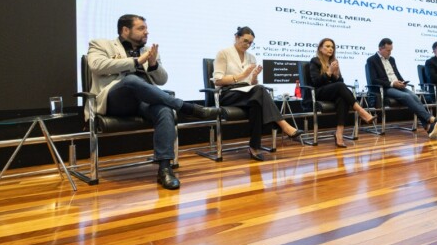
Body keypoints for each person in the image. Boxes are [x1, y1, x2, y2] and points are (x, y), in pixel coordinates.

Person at [86, 14, 221, 190]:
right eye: (141, 28)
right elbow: (97, 65)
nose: (146, 32)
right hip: (114, 101)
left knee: (164, 109)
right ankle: (187, 107)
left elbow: (162, 80)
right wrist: (136, 61)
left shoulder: (148, 50)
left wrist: (153, 64)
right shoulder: (100, 44)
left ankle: (165, 169)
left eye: (146, 29)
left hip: (142, 102)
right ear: (125, 30)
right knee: (131, 81)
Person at [212, 27, 303, 160]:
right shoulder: (223, 53)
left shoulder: (251, 57)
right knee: (259, 91)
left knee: (257, 103)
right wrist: (242, 75)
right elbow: (218, 80)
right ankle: (284, 125)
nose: (248, 45)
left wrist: (253, 77)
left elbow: (251, 85)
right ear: (236, 37)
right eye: (245, 41)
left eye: (250, 43)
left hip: (247, 93)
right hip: (228, 93)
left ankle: (254, 147)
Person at [366, 38, 437, 138]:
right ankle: (431, 119)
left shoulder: (391, 59)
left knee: (414, 96)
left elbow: (397, 74)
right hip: (385, 88)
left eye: (391, 50)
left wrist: (402, 82)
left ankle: (428, 127)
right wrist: (392, 84)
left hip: (397, 85)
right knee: (406, 96)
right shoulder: (371, 60)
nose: (390, 53)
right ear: (380, 49)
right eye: (388, 50)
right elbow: (374, 80)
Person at [307, 37, 375, 148]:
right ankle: (361, 111)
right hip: (319, 92)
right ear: (320, 48)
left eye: (332, 47)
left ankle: (339, 134)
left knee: (342, 98)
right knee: (340, 87)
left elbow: (340, 82)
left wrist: (336, 74)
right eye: (327, 46)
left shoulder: (333, 62)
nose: (331, 49)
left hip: (332, 92)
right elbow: (315, 82)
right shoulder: (315, 61)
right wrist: (329, 72)